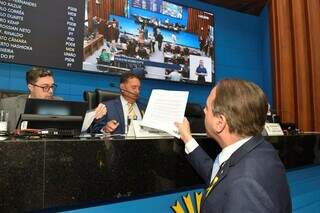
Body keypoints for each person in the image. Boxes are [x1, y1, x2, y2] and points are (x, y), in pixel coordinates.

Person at [175, 79, 292, 212]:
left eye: (207, 107)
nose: (204, 111)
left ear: (220, 122)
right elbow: (220, 178)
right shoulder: (261, 149)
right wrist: (187, 138)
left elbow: (235, 181)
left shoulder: (244, 186)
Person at [0, 67, 60, 133]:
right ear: (31, 87)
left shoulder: (59, 103)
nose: (51, 91)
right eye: (45, 87)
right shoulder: (8, 105)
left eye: (52, 86)